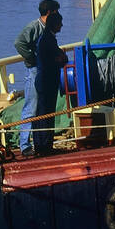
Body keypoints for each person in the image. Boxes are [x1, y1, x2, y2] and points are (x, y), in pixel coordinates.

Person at [14, 0, 60, 156]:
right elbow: (19, 43)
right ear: (49, 13)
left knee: (42, 108)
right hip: (34, 71)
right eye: (56, 12)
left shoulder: (47, 30)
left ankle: (41, 143)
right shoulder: (34, 27)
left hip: (43, 72)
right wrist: (32, 59)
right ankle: (25, 144)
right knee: (31, 107)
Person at [32, 10, 69, 156]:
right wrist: (62, 58)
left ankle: (43, 144)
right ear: (54, 24)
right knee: (45, 114)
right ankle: (44, 146)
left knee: (43, 113)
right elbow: (58, 58)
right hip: (47, 81)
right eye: (59, 23)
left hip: (44, 80)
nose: (62, 25)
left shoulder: (45, 38)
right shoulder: (49, 40)